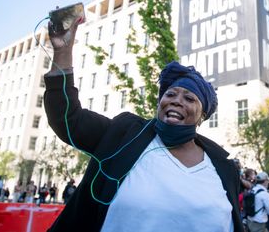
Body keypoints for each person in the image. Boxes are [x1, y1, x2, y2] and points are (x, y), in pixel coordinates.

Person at [43, 16, 242, 231]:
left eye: (189, 98)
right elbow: (68, 119)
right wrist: (63, 51)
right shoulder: (124, 133)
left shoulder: (224, 167)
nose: (176, 100)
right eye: (171, 93)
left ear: (202, 115)